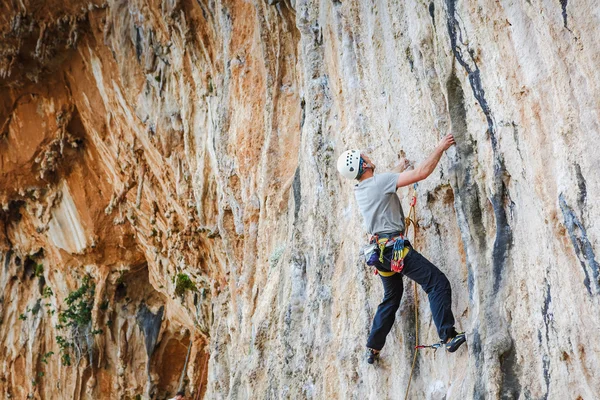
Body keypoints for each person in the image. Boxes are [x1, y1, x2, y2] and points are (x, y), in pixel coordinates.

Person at [337, 133, 466, 364]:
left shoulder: (362, 189)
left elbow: (385, 183)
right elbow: (421, 173)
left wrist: (399, 167)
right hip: (395, 251)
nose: (367, 155)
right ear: (363, 164)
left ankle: (373, 348)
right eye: (363, 156)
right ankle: (448, 337)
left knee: (392, 296)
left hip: (379, 254)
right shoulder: (379, 183)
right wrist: (439, 148)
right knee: (437, 283)